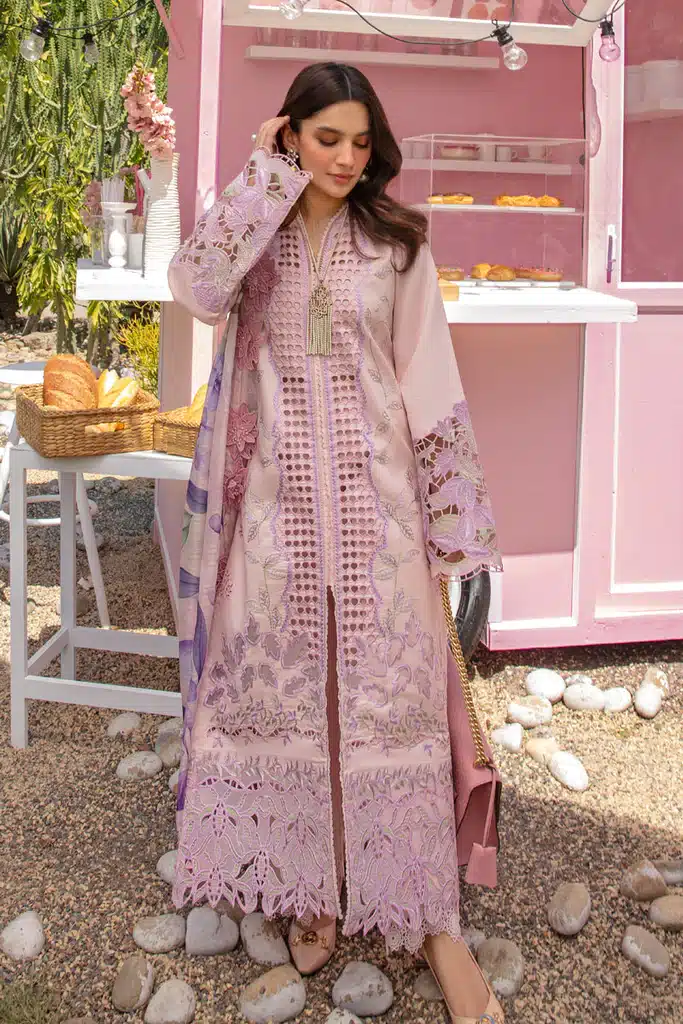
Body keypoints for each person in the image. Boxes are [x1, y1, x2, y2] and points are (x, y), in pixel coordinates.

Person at [167, 61, 503, 1024]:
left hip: (378, 515)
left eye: (360, 141)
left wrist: (451, 523)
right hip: (273, 516)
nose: (347, 158)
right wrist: (261, 181)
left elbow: (428, 380)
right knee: (288, 689)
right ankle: (309, 883)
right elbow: (193, 287)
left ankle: (427, 913)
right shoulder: (256, 236)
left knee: (393, 702)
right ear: (291, 136)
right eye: (326, 139)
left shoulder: (396, 245)